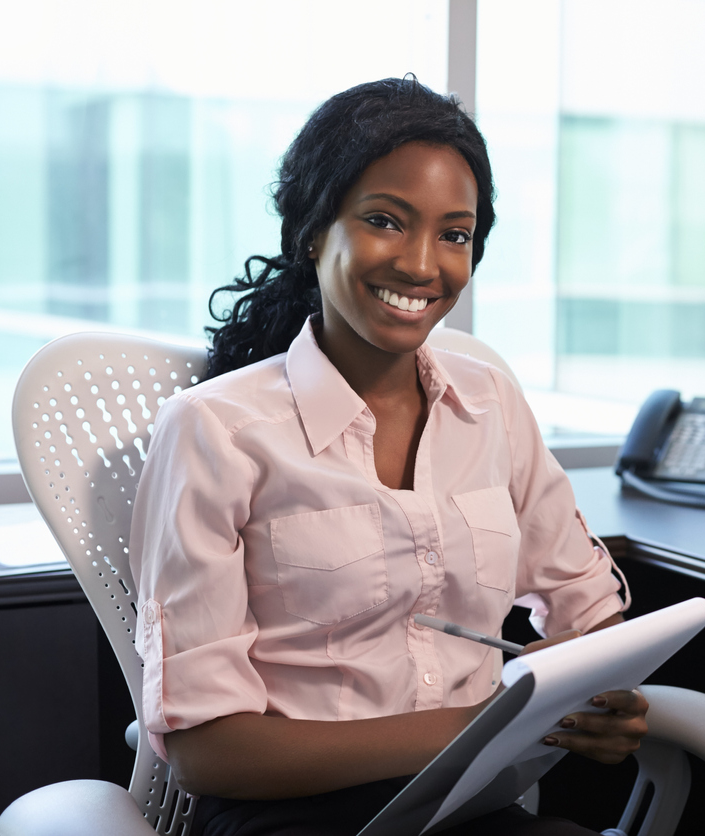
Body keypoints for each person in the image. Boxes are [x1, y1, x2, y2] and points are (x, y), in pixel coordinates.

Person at [130, 77, 645, 836]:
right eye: (384, 221)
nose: (421, 264)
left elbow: (590, 609)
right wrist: (480, 722)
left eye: (455, 234)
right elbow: (211, 752)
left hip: (470, 808)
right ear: (313, 230)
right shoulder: (217, 430)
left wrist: (601, 699)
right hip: (293, 816)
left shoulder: (491, 402)